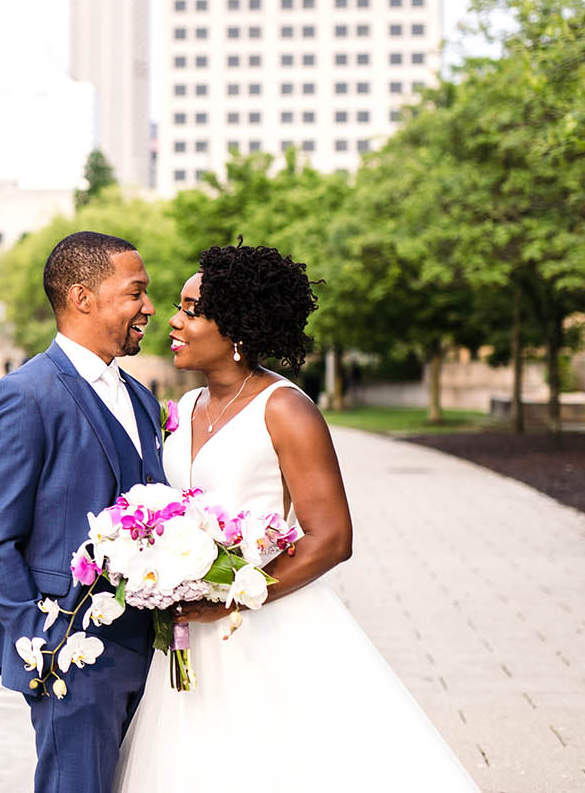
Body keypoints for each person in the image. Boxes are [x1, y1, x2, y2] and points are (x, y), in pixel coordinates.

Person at [114, 244, 478, 791]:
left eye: (191, 310)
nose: (173, 320)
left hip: (263, 625)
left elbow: (332, 538)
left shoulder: (286, 409)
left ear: (235, 328)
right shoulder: (182, 410)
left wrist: (233, 596)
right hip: (190, 635)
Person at [0, 231, 164, 793]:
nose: (149, 307)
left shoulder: (140, 396)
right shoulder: (24, 395)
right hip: (72, 654)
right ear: (82, 297)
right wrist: (45, 644)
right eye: (135, 293)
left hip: (147, 645)